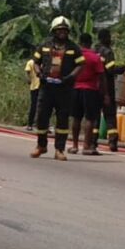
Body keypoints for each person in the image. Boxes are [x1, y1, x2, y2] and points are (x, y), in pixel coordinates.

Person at [30, 16, 84, 161]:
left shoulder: (73, 47)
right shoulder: (45, 45)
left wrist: (71, 77)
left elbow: (80, 64)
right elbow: (36, 61)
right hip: (46, 88)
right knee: (41, 118)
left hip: (64, 90)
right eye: (59, 30)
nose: (62, 32)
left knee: (62, 120)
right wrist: (38, 73)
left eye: (65, 30)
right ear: (54, 31)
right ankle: (41, 145)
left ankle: (59, 149)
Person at [70, 33, 109, 156]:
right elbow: (102, 78)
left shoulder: (74, 56)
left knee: (76, 118)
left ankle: (75, 145)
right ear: (90, 42)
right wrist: (106, 94)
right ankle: (86, 146)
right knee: (90, 119)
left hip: (75, 89)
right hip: (90, 90)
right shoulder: (94, 57)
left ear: (79, 42)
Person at [94, 28, 125, 152]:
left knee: (95, 116)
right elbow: (110, 70)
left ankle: (93, 141)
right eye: (109, 37)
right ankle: (112, 142)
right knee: (110, 116)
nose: (110, 39)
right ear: (105, 38)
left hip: (94, 87)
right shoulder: (108, 52)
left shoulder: (94, 50)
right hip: (107, 88)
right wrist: (122, 68)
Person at [24, 56, 40, 131]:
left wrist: (28, 80)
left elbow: (27, 73)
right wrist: (29, 80)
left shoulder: (43, 62)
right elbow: (27, 73)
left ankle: (34, 124)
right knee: (34, 106)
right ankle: (30, 124)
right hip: (35, 86)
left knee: (40, 106)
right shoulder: (31, 62)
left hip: (40, 87)